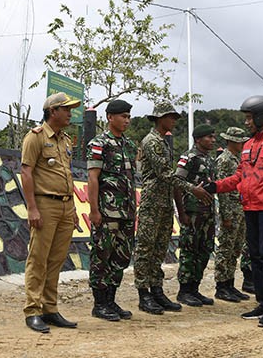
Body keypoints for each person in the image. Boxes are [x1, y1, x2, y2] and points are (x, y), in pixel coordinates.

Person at [205, 96, 263, 327]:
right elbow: (239, 177)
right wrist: (216, 186)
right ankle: (262, 303)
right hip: (250, 207)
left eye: (249, 118)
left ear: (262, 117)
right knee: (255, 256)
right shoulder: (248, 144)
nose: (246, 122)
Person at [133, 103, 211, 315]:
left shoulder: (163, 142)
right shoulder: (152, 141)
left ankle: (156, 289)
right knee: (146, 249)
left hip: (164, 203)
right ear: (160, 118)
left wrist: (179, 206)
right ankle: (144, 293)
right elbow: (166, 175)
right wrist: (192, 188)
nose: (175, 121)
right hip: (152, 203)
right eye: (171, 117)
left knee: (159, 249)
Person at [21, 92, 81, 333]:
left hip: (66, 206)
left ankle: (50, 308)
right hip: (45, 205)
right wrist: (32, 208)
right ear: (52, 111)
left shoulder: (66, 140)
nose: (70, 114)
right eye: (66, 109)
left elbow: (67, 175)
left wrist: (73, 208)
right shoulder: (35, 137)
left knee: (56, 260)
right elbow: (26, 172)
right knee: (38, 259)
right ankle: (33, 311)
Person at [87, 100, 138, 322]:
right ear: (110, 117)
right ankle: (99, 303)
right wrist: (94, 210)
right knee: (101, 256)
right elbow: (92, 178)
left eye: (129, 117)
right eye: (123, 116)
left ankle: (110, 299)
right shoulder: (99, 144)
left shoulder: (130, 145)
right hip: (107, 212)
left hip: (127, 212)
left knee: (121, 257)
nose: (127, 120)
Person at [174, 124, 218, 307]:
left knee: (204, 250)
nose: (213, 140)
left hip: (207, 213)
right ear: (198, 139)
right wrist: (181, 212)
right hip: (192, 212)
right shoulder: (189, 158)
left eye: (214, 137)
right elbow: (176, 182)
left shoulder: (209, 159)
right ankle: (184, 291)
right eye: (209, 137)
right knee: (189, 250)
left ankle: (194, 288)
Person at [212, 126, 251, 303]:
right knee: (225, 247)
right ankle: (221, 285)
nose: (242, 144)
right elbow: (222, 189)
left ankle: (230, 283)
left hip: (240, 208)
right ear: (231, 141)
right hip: (231, 209)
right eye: (239, 141)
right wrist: (226, 214)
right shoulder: (224, 160)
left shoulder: (238, 158)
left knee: (236, 248)